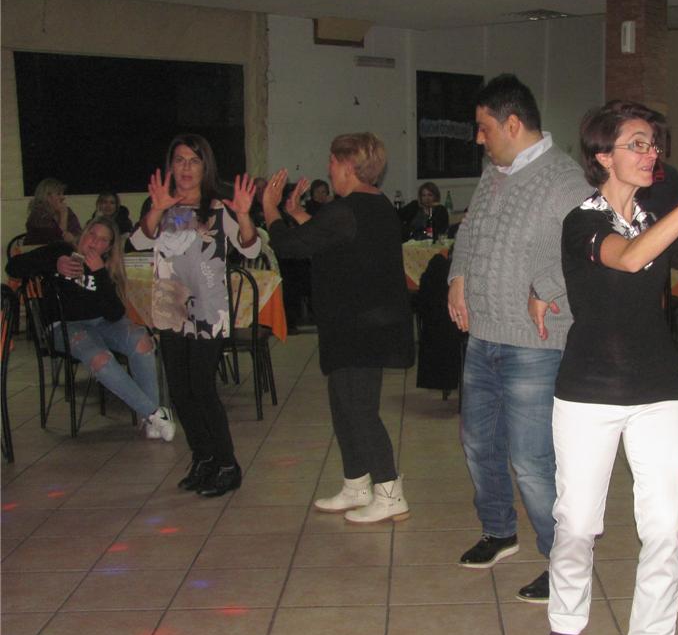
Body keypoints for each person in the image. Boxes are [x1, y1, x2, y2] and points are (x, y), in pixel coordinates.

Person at [543, 102, 678, 635]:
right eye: (637, 144)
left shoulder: (657, 217)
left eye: (653, 144)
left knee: (665, 522)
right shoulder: (581, 222)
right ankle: (566, 617)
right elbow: (631, 256)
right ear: (603, 156)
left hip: (658, 388)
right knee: (576, 522)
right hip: (588, 391)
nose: (651, 154)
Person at [448, 73, 593, 602]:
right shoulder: (494, 173)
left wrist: (547, 286)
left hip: (536, 343)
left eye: (484, 128)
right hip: (484, 336)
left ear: (513, 124)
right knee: (479, 443)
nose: (478, 138)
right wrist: (457, 275)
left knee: (532, 461)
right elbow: (470, 231)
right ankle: (498, 530)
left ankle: (565, 562)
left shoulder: (565, 179)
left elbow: (592, 247)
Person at [262, 133, 414, 524]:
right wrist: (298, 215)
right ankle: (356, 485)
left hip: (360, 327)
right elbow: (331, 240)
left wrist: (270, 210)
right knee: (343, 407)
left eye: (332, 161)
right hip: (358, 323)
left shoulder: (347, 209)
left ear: (348, 165)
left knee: (359, 410)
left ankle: (389, 492)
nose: (328, 168)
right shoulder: (372, 205)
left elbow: (291, 246)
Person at [131, 134, 259, 498]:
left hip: (208, 308)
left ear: (206, 167)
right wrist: (157, 209)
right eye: (180, 160)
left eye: (194, 160)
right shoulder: (160, 203)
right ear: (171, 166)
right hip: (170, 307)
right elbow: (138, 242)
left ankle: (228, 465)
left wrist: (244, 214)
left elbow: (250, 248)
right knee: (180, 390)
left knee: (202, 388)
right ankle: (203, 457)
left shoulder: (219, 207)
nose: (186, 168)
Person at [6, 217, 174, 441]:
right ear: (84, 233)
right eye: (92, 234)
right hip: (64, 325)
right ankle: (154, 414)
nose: (94, 242)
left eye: (103, 240)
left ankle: (151, 420)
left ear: (108, 247)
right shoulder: (60, 250)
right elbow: (13, 267)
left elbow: (115, 314)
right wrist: (54, 264)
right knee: (100, 357)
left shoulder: (107, 266)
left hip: (103, 323)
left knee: (142, 341)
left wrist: (100, 274)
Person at [25, 178, 82, 245]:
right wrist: (63, 215)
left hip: (65, 250)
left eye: (62, 194)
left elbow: (79, 234)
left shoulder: (68, 211)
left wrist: (73, 239)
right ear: (47, 197)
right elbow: (56, 241)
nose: (63, 197)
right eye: (58, 194)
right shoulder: (37, 215)